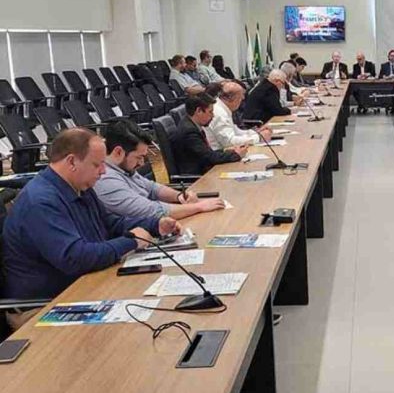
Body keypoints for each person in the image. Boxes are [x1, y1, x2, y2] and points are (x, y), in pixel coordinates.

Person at [1, 128, 182, 328]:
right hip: (44, 307)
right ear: (72, 162)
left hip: (83, 287)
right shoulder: (40, 202)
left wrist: (154, 225)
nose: (103, 171)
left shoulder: (80, 186)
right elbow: (76, 258)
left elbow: (110, 224)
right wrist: (132, 241)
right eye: (97, 164)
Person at [94, 120, 226, 219]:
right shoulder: (106, 180)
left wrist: (179, 196)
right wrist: (198, 207)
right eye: (139, 157)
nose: (141, 163)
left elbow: (152, 188)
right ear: (118, 152)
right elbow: (152, 212)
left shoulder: (123, 168)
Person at [170, 93, 247, 175]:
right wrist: (236, 155)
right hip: (198, 177)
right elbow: (209, 158)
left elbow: (205, 153)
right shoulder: (189, 132)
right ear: (199, 111)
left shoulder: (190, 124)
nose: (213, 116)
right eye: (210, 112)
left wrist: (227, 151)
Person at [206, 81, 271, 150]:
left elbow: (236, 131)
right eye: (240, 98)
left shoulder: (222, 108)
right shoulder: (219, 113)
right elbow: (229, 142)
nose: (242, 99)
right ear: (230, 98)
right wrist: (259, 138)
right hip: (221, 152)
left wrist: (256, 132)